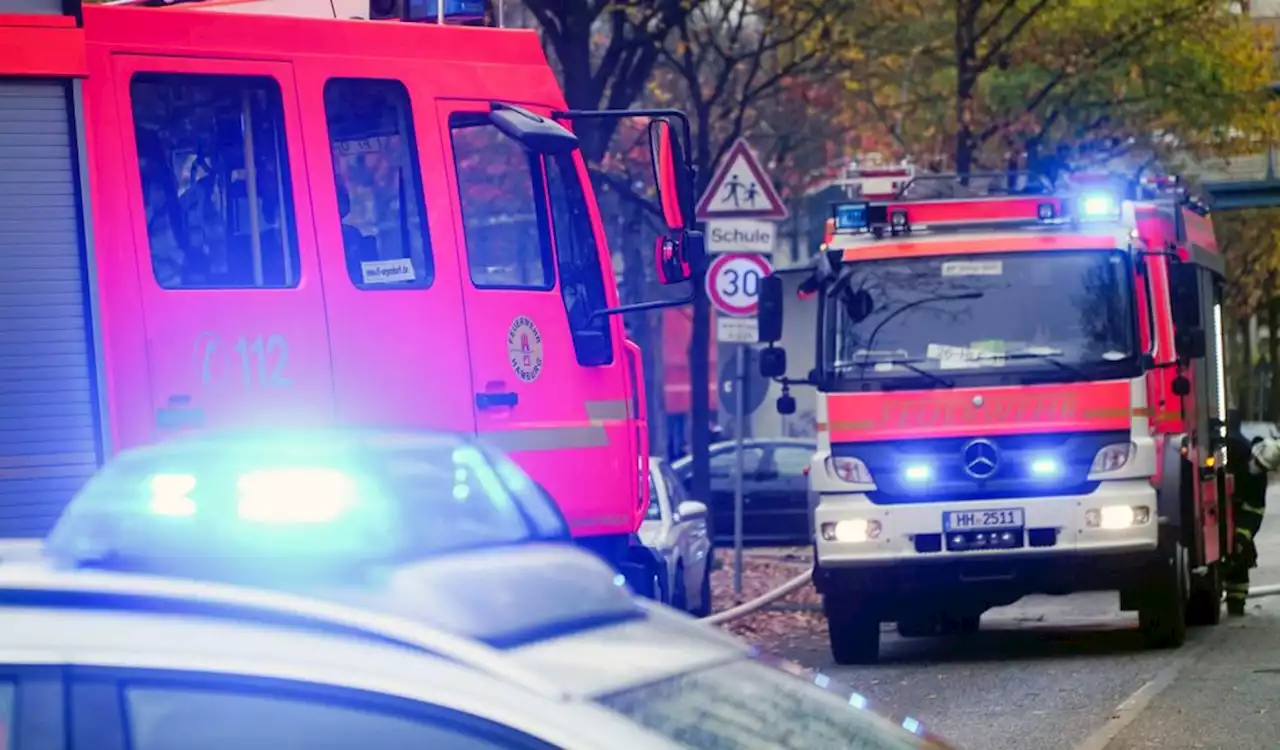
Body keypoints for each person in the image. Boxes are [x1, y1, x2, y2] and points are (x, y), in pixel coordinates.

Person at [1225, 413, 1275, 616]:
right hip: (1224, 512)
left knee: (1240, 557)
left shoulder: (1257, 476)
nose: (1257, 469)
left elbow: (1255, 510)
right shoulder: (1238, 449)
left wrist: (1241, 537)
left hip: (1236, 518)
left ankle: (1236, 604)